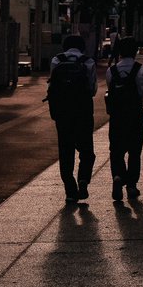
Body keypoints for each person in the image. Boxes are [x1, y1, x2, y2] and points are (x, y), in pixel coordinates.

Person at [46, 33, 97, 203]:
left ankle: (69, 189)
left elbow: (52, 86)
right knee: (86, 150)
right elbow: (92, 89)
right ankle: (83, 180)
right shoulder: (88, 62)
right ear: (82, 46)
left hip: (62, 112)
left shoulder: (56, 61)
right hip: (82, 110)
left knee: (65, 150)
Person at [105, 36, 143, 201]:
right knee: (134, 152)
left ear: (120, 52)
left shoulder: (111, 71)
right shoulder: (140, 70)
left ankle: (117, 176)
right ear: (135, 51)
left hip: (117, 116)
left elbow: (110, 91)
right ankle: (131, 185)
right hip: (135, 115)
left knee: (116, 150)